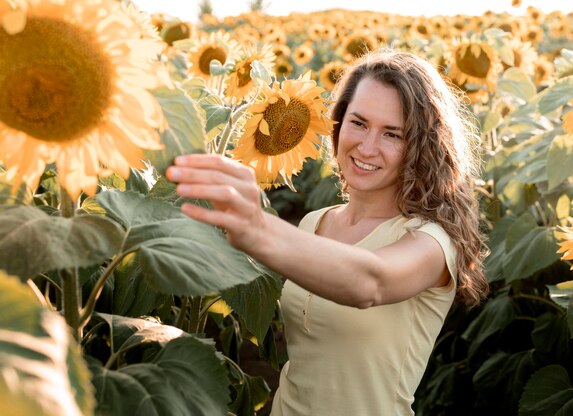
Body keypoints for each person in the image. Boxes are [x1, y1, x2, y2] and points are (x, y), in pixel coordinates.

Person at [166, 49, 489, 415]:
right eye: (359, 123)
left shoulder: (430, 242)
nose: (367, 146)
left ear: (420, 146)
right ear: (338, 122)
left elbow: (369, 282)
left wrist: (258, 227)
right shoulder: (315, 223)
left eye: (392, 134)